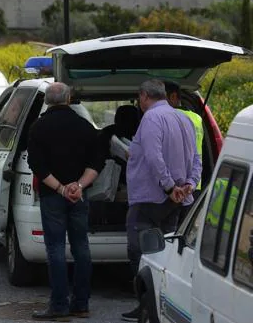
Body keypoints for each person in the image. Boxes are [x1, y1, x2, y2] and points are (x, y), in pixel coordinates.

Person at [121, 79, 201, 321]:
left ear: (145, 96)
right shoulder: (184, 118)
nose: (139, 102)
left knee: (140, 250)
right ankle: (162, 299)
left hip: (151, 197)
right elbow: (196, 156)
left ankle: (146, 302)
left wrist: (168, 187)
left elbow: (155, 157)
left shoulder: (151, 119)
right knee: (165, 250)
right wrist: (189, 184)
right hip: (176, 198)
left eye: (139, 97)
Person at [27, 82, 104, 321]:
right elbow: (97, 162)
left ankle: (59, 306)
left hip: (53, 197)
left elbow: (36, 165)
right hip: (79, 196)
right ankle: (81, 304)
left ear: (48, 101)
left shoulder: (38, 128)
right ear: (69, 99)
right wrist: (78, 186)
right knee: (81, 247)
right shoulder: (85, 127)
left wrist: (61, 189)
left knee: (56, 249)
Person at [164, 80, 204, 219]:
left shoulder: (169, 118)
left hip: (175, 186)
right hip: (194, 184)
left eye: (162, 99)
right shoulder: (197, 118)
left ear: (173, 97)